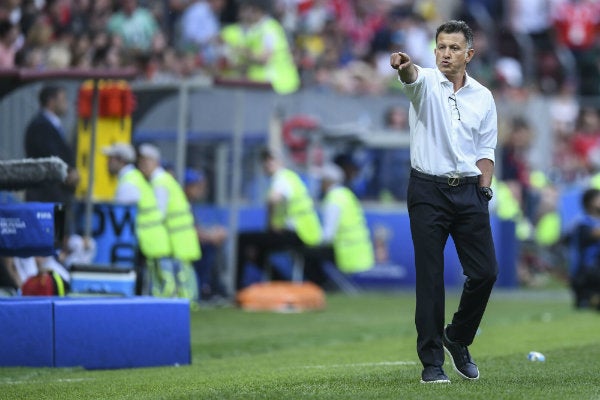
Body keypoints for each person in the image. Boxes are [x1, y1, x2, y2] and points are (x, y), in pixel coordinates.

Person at [390, 20, 498, 383]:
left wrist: (484, 188)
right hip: (428, 191)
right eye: (441, 47)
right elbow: (411, 77)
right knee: (431, 278)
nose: (446, 54)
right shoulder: (424, 84)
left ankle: (458, 337)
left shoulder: (483, 96)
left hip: (470, 191)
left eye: (454, 48)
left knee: (485, 273)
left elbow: (485, 149)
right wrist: (404, 66)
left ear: (470, 54)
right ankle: (432, 364)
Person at [235, 148, 322, 291]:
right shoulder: (291, 178)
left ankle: (237, 287)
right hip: (303, 232)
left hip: (297, 232)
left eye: (271, 161)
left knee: (242, 239)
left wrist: (270, 224)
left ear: (280, 162)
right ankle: (279, 281)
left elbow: (273, 200)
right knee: (256, 248)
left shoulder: (281, 178)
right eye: (265, 161)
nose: (267, 164)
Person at [102, 142, 173, 297]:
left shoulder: (128, 183)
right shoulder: (134, 178)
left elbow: (118, 216)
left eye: (110, 158)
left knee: (152, 288)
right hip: (153, 239)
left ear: (120, 160)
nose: (106, 162)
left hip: (147, 240)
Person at [137, 143, 201, 302]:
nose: (142, 166)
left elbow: (159, 212)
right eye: (141, 162)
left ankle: (187, 303)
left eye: (146, 162)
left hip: (175, 237)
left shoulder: (159, 183)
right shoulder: (165, 180)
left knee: (180, 276)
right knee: (183, 275)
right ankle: (187, 303)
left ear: (156, 162)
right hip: (179, 236)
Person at [303, 163, 374, 289]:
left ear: (328, 181)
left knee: (307, 255)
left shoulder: (333, 200)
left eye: (321, 181)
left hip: (344, 250)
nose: (319, 184)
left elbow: (328, 236)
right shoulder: (346, 194)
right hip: (358, 249)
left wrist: (309, 241)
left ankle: (326, 288)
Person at [24, 85, 80, 235]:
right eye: (62, 99)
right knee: (50, 241)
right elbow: (50, 156)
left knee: (61, 241)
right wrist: (68, 172)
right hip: (46, 198)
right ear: (51, 101)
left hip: (58, 196)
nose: (66, 103)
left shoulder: (52, 125)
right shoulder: (40, 126)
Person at [183, 167, 229, 302]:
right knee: (209, 248)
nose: (200, 190)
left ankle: (213, 287)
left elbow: (195, 228)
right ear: (188, 186)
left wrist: (212, 233)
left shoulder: (190, 204)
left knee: (213, 245)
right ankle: (205, 288)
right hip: (183, 248)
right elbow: (191, 231)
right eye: (197, 186)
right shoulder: (182, 203)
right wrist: (211, 236)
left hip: (189, 245)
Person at [568, 188, 600, 310]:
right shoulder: (582, 223)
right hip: (586, 273)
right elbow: (594, 234)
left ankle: (592, 299)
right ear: (590, 202)